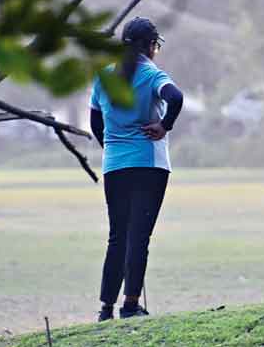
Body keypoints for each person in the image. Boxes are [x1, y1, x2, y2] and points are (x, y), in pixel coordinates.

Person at [89, 17, 184, 320]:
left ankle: (105, 308)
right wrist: (164, 125)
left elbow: (95, 122)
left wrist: (115, 149)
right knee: (138, 237)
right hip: (148, 164)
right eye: (156, 44)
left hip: (114, 166)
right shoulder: (152, 73)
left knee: (117, 236)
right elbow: (176, 97)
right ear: (149, 46)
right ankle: (130, 305)